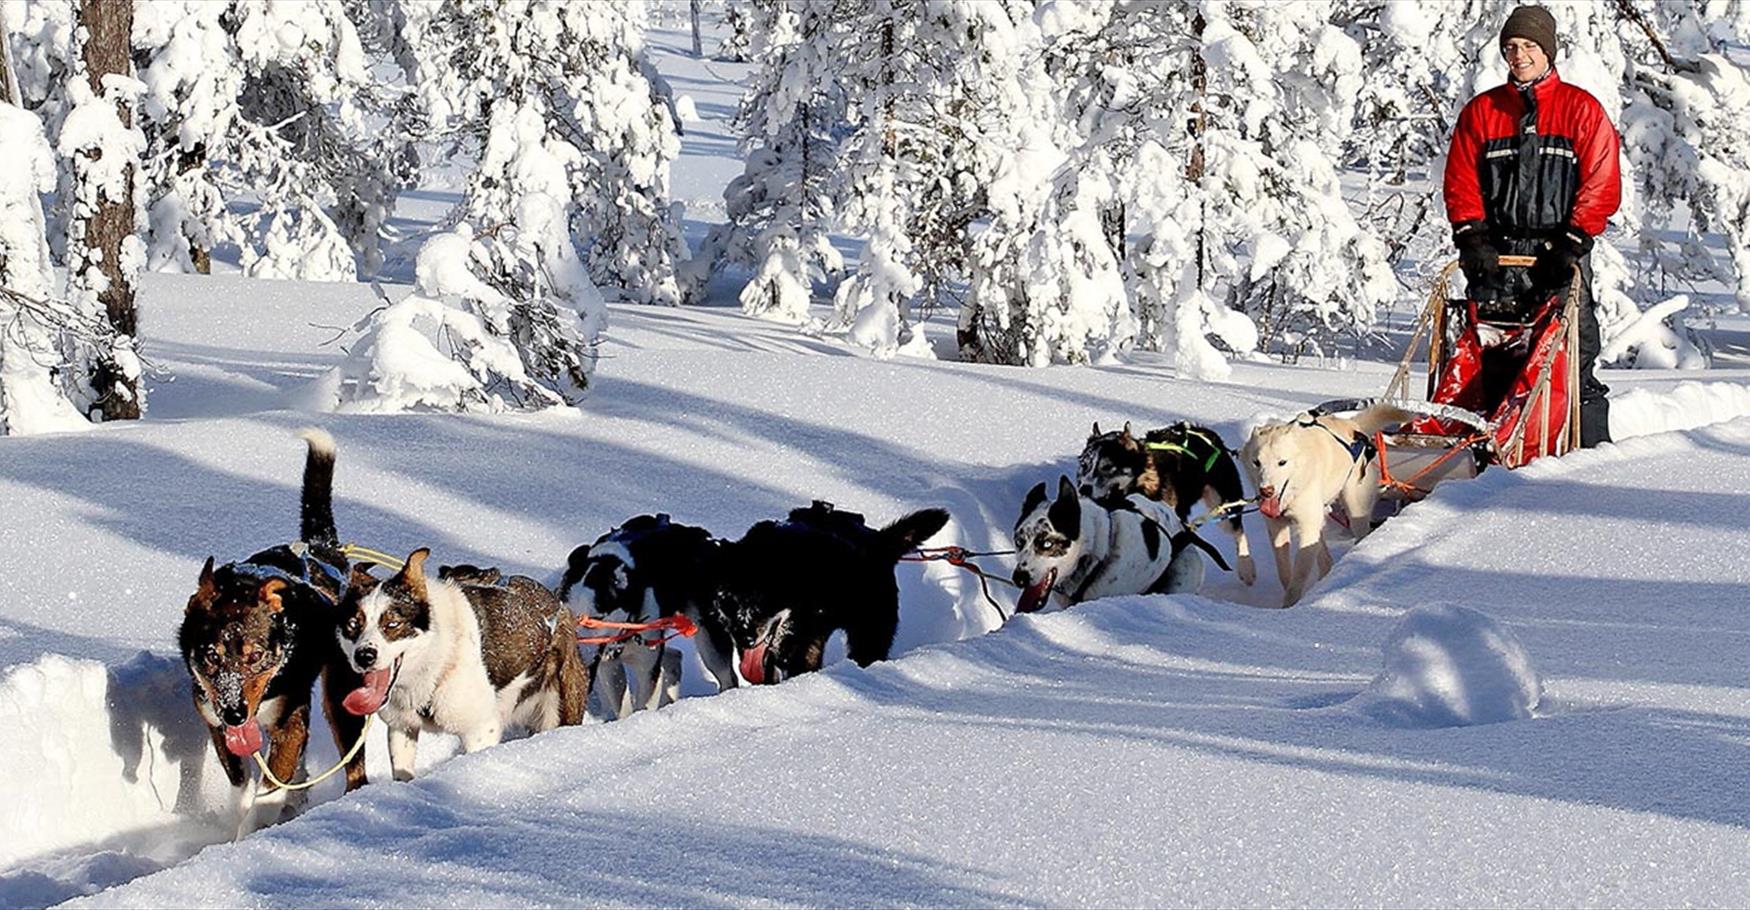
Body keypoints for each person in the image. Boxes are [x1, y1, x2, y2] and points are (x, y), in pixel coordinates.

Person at [1443, 4, 1621, 447]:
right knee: (1492, 361)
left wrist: (1571, 243)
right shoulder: (1482, 113)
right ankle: (1485, 456)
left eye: (1528, 46)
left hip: (1559, 256)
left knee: (1573, 361)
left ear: (1548, 50)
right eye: (1511, 46)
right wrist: (1472, 237)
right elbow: (1462, 180)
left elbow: (1601, 181)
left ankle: (1591, 458)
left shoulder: (1581, 110)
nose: (1518, 55)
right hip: (1496, 258)